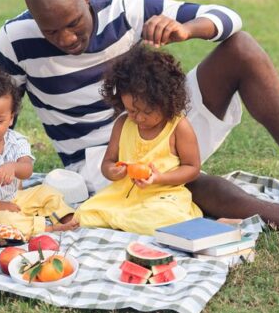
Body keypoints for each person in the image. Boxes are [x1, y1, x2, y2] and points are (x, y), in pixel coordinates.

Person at [0, 0, 279, 259]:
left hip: (159, 125)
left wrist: (187, 30)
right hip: (102, 165)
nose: (66, 38)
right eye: (51, 30)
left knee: (242, 47)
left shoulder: (125, 9)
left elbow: (229, 18)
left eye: (74, 23)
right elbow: (4, 114)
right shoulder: (14, 40)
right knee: (200, 187)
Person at [74, 45, 204, 235]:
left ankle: (122, 222)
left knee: (165, 218)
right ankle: (125, 220)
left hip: (162, 197)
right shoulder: (123, 124)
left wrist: (159, 178)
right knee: (82, 214)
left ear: (166, 101)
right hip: (122, 196)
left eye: (148, 112)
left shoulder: (178, 127)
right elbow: (108, 162)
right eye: (133, 111)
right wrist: (113, 171)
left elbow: (192, 168)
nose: (139, 118)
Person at [0, 68, 78, 238]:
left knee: (46, 191)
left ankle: (66, 217)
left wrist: (14, 167)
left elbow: (27, 169)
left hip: (14, 198)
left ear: (11, 118)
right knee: (6, 220)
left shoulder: (16, 141)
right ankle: (45, 229)